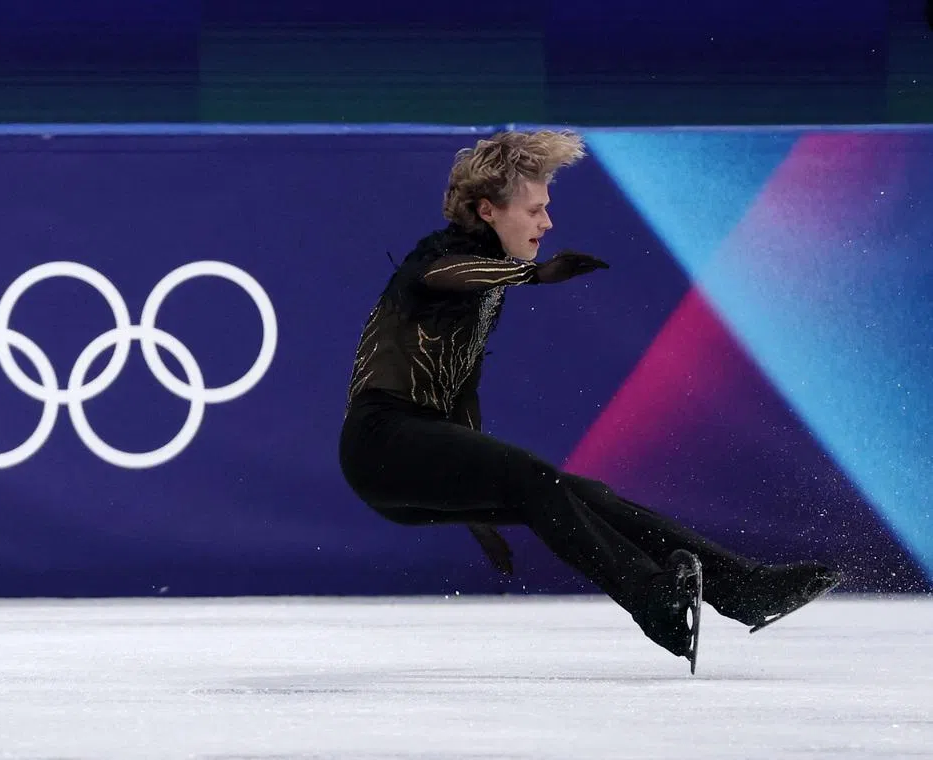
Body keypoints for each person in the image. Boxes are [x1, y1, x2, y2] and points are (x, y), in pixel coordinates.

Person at [337, 128, 841, 669]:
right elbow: (445, 274)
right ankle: (653, 601)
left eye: (546, 209)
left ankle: (741, 588)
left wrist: (476, 513)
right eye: (534, 211)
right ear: (487, 210)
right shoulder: (436, 259)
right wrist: (534, 274)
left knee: (580, 493)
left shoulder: (484, 288)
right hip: (379, 441)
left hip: (412, 458)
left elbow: (458, 399)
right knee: (533, 476)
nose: (546, 223)